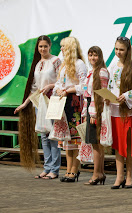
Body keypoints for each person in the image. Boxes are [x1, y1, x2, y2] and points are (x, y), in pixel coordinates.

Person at [14, 35, 61, 178]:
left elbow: (61, 81)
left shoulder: (56, 61)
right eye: (40, 46)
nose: (43, 49)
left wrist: (50, 86)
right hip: (40, 103)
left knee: (53, 135)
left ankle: (55, 170)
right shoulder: (37, 63)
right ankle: (47, 168)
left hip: (53, 100)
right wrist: (25, 104)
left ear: (50, 46)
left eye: (45, 46)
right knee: (44, 136)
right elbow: (34, 88)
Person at [107, 36, 132, 189]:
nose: (118, 52)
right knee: (117, 145)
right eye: (116, 49)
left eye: (121, 49)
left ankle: (129, 176)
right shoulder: (113, 67)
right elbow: (109, 86)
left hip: (128, 110)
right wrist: (107, 97)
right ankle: (119, 175)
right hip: (115, 111)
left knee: (128, 145)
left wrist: (127, 96)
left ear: (128, 50)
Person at [53, 37, 87, 182]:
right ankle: (68, 169)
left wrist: (70, 89)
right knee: (67, 139)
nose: (61, 49)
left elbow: (85, 86)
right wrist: (59, 90)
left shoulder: (79, 64)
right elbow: (57, 83)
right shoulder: (64, 65)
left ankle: (75, 169)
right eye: (61, 46)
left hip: (75, 103)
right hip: (64, 102)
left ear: (71, 48)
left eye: (63, 47)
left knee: (76, 138)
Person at [82, 46, 109, 185]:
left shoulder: (102, 72)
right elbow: (87, 93)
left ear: (100, 56)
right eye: (90, 55)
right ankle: (100, 173)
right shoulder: (91, 71)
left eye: (95, 55)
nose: (93, 58)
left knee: (96, 143)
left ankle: (96, 174)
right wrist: (85, 112)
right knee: (95, 143)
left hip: (96, 109)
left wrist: (94, 113)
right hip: (90, 107)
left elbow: (100, 94)